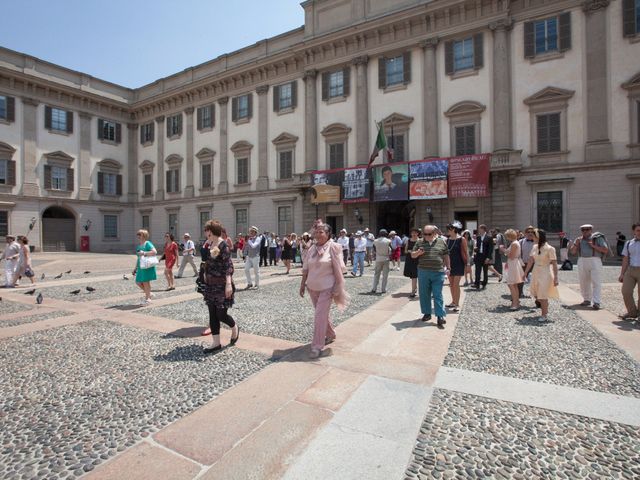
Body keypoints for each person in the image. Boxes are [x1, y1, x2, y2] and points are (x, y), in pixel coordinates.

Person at [299, 223, 349, 359]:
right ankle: (331, 334)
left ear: (328, 235)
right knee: (321, 315)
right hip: (312, 287)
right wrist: (303, 284)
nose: (318, 234)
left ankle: (317, 346)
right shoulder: (311, 249)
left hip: (327, 288)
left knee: (319, 317)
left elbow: (340, 269)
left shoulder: (334, 247)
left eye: (321, 232)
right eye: (316, 232)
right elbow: (306, 268)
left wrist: (337, 287)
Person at [201, 220, 239, 353]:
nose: (205, 232)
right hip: (211, 285)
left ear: (211, 231)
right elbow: (206, 262)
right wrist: (205, 273)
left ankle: (234, 328)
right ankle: (216, 342)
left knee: (221, 314)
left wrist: (228, 284)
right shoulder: (209, 244)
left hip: (222, 285)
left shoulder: (223, 245)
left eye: (206, 230)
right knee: (212, 313)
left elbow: (228, 266)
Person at [412, 225, 450, 329]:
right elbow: (412, 255)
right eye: (424, 234)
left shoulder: (441, 241)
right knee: (424, 293)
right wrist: (418, 253)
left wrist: (449, 267)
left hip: (438, 272)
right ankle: (427, 313)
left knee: (438, 294)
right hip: (423, 271)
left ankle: (440, 316)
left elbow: (446, 254)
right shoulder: (419, 242)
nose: (426, 236)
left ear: (434, 234)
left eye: (429, 234)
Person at [569, 224, 608, 310]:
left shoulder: (597, 238)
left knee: (596, 281)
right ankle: (586, 299)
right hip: (582, 260)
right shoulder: (579, 239)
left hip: (595, 260)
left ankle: (596, 301)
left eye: (587, 229)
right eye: (583, 230)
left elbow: (605, 250)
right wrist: (576, 244)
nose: (585, 231)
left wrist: (593, 246)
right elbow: (572, 252)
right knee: (583, 281)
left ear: (591, 230)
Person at [523, 229, 559, 322]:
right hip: (535, 271)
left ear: (538, 237)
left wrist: (556, 278)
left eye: (533, 236)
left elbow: (554, 264)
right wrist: (525, 272)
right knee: (536, 293)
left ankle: (544, 314)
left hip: (545, 272)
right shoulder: (534, 247)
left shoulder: (550, 249)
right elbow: (531, 260)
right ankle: (545, 306)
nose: (532, 237)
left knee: (542, 295)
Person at [619, 223, 640, 320]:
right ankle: (632, 313)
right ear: (634, 231)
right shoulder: (628, 243)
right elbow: (625, 259)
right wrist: (622, 274)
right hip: (631, 270)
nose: (639, 232)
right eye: (638, 230)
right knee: (626, 291)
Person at [445, 222, 467, 312]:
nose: (447, 231)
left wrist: (468, 264)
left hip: (459, 264)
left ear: (453, 229)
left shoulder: (462, 239)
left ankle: (457, 304)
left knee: (456, 284)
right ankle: (453, 301)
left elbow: (466, 252)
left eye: (448, 229)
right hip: (450, 264)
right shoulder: (447, 240)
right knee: (451, 285)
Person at [133, 229, 157, 305]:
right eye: (138, 234)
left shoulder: (147, 243)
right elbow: (138, 258)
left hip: (147, 266)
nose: (138, 236)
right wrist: (135, 268)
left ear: (144, 235)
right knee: (138, 282)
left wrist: (144, 253)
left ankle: (148, 299)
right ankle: (149, 294)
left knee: (146, 282)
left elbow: (154, 252)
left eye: (140, 234)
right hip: (141, 266)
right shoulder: (139, 245)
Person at [503, 229, 525, 310]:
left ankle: (515, 303)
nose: (506, 238)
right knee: (514, 284)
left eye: (507, 236)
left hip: (513, 263)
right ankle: (516, 302)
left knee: (512, 284)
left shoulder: (514, 243)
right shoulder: (515, 243)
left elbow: (511, 256)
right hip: (513, 263)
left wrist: (504, 250)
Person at [371, 229, 392, 294]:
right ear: (386, 234)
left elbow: (374, 250)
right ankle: (383, 289)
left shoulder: (375, 241)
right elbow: (391, 250)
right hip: (386, 258)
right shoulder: (388, 241)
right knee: (385, 275)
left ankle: (374, 288)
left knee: (376, 274)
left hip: (378, 258)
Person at [518, 226, 536, 298]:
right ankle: (519, 293)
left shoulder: (536, 242)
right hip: (524, 263)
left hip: (535, 264)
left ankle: (536, 294)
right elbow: (517, 253)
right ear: (525, 233)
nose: (530, 233)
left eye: (532, 232)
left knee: (536, 279)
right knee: (521, 279)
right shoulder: (520, 242)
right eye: (528, 232)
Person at [472, 224, 492, 289]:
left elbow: (490, 249)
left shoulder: (489, 237)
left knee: (485, 271)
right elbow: (477, 246)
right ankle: (477, 284)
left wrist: (488, 258)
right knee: (477, 271)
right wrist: (475, 249)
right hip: (478, 256)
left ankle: (484, 283)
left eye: (479, 229)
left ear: (483, 229)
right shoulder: (478, 237)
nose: (478, 230)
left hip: (485, 257)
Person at [403, 228, 420, 297]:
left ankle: (413, 291)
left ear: (418, 233)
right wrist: (409, 251)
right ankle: (414, 289)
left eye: (415, 233)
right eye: (412, 233)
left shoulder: (420, 241)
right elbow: (405, 251)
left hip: (418, 259)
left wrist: (416, 252)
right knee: (413, 276)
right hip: (410, 259)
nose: (413, 234)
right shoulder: (408, 240)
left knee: (415, 275)